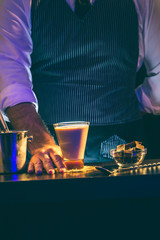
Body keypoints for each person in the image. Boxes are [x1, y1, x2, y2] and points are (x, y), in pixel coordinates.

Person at [0, 0, 160, 175]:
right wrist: (39, 140)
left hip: (125, 164)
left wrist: (126, 105)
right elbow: (9, 73)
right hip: (47, 165)